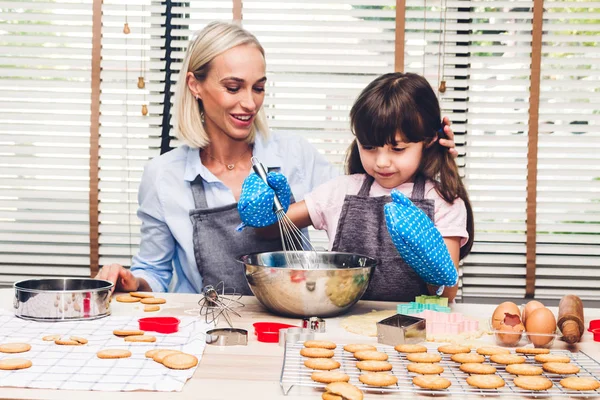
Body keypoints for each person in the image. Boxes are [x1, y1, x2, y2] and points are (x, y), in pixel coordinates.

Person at [95, 21, 458, 295]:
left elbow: (374, 199)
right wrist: (132, 282)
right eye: (233, 87)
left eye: (259, 87)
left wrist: (432, 160)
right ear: (195, 85)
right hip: (202, 332)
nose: (250, 102)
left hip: (290, 330)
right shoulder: (163, 176)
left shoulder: (295, 155)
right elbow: (155, 274)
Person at [238, 72, 474, 302]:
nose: (381, 161)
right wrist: (266, 210)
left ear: (429, 140)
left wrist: (429, 260)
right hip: (341, 325)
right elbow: (276, 228)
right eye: (369, 147)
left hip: (414, 330)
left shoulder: (444, 202)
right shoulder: (341, 192)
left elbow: (447, 294)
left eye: (398, 149)